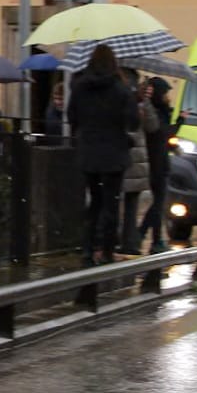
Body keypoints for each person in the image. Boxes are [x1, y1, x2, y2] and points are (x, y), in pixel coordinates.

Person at [68, 45, 139, 265]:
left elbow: (72, 117)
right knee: (111, 203)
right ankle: (108, 250)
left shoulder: (79, 87)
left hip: (89, 153)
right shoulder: (121, 89)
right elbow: (133, 122)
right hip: (114, 154)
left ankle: (88, 250)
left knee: (94, 202)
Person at [134, 77, 176, 252]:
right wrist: (180, 122)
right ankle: (148, 236)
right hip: (156, 163)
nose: (168, 97)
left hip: (158, 162)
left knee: (158, 202)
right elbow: (162, 134)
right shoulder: (155, 112)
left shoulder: (160, 111)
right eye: (166, 93)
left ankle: (151, 237)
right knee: (158, 203)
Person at [117, 71, 157, 255]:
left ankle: (123, 241)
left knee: (119, 202)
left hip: (126, 158)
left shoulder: (118, 96)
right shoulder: (128, 100)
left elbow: (152, 126)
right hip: (132, 158)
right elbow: (151, 126)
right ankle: (127, 242)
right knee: (127, 205)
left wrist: (144, 103)